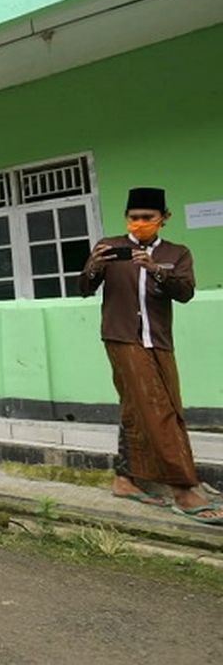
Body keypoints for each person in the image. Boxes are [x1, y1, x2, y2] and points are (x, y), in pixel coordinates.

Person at [79, 187, 220, 524]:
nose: (139, 223)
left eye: (147, 218)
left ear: (164, 219)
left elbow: (184, 293)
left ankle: (125, 480)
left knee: (148, 404)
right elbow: (83, 288)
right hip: (121, 337)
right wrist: (95, 266)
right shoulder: (110, 247)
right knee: (157, 409)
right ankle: (184, 488)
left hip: (158, 340)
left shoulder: (177, 252)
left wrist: (155, 268)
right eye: (133, 217)